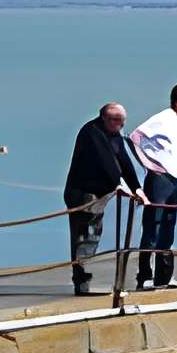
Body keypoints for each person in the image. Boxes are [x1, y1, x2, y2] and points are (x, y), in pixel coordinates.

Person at [127, 82, 177, 289]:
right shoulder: (164, 117)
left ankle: (164, 276)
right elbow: (135, 137)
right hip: (159, 178)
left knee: (168, 226)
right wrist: (149, 164)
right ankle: (145, 276)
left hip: (173, 179)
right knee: (153, 227)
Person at [61, 103, 138, 290]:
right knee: (84, 235)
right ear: (104, 118)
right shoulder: (91, 132)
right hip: (83, 192)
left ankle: (90, 277)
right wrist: (119, 185)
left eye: (122, 122)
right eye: (116, 121)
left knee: (94, 233)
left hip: (102, 191)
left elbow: (123, 160)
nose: (120, 126)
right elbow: (104, 161)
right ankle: (82, 280)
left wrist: (137, 187)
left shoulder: (114, 133)